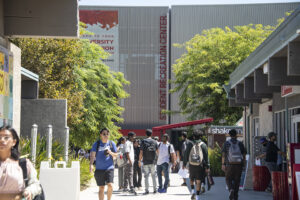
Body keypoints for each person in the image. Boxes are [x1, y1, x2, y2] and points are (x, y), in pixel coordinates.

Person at [0, 125, 42, 200]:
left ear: (14, 142)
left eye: (6, 137)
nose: (2, 140)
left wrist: (29, 191)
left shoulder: (23, 164)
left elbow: (36, 185)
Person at [90, 128, 118, 200]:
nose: (106, 135)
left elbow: (116, 155)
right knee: (101, 187)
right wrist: (91, 164)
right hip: (99, 168)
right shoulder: (96, 144)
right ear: (101, 135)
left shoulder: (112, 144)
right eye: (104, 134)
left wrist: (110, 152)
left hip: (109, 168)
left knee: (110, 185)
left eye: (107, 134)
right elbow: (93, 155)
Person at [183, 131, 210, 200]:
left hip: (191, 164)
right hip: (200, 165)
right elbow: (206, 156)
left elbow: (186, 154)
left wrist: (184, 163)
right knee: (198, 181)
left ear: (193, 136)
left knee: (191, 178)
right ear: (200, 136)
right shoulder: (203, 144)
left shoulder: (190, 143)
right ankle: (197, 195)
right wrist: (207, 166)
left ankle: (192, 191)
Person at [221, 129, 246, 200]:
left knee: (228, 179)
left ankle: (231, 189)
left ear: (229, 135)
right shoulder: (240, 143)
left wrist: (223, 164)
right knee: (237, 180)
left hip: (229, 164)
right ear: (236, 134)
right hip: (238, 164)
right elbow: (244, 154)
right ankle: (235, 197)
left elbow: (223, 155)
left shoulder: (226, 143)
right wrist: (243, 163)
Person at [139, 129, 158, 195]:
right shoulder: (155, 141)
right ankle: (155, 190)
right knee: (153, 176)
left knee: (146, 176)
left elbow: (141, 152)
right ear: (151, 134)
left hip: (145, 161)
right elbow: (158, 152)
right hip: (153, 162)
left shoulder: (143, 141)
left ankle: (147, 190)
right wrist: (157, 159)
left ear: (146, 134)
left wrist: (139, 160)